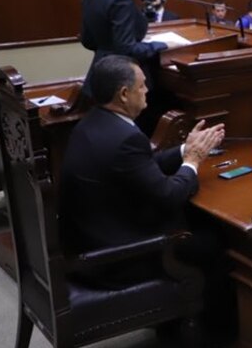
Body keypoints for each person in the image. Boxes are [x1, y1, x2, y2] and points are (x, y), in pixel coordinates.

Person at [60, 55, 225, 278]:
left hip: (90, 240)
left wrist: (184, 150)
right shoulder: (125, 139)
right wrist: (193, 161)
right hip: (119, 259)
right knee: (220, 240)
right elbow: (169, 196)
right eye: (142, 85)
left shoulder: (91, 123)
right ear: (124, 94)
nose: (147, 89)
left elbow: (139, 167)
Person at [79, 0, 182, 132]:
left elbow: (87, 40)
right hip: (125, 81)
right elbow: (126, 48)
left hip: (99, 74)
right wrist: (163, 45)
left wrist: (107, 47)